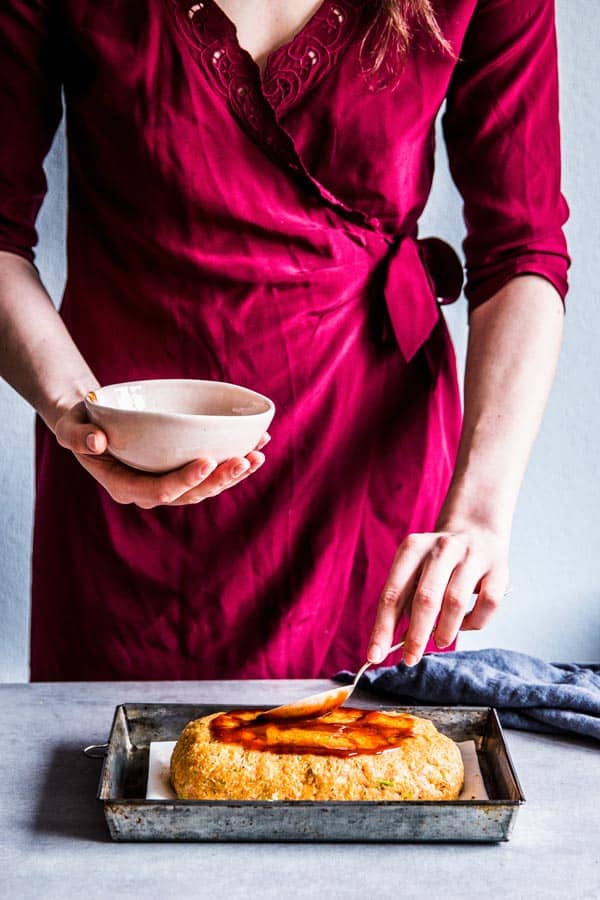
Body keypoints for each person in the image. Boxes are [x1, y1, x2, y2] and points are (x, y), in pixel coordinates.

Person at [0, 0, 569, 681]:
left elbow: (521, 252)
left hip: (366, 479)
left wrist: (478, 513)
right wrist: (73, 412)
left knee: (371, 766)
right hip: (127, 458)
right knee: (110, 771)